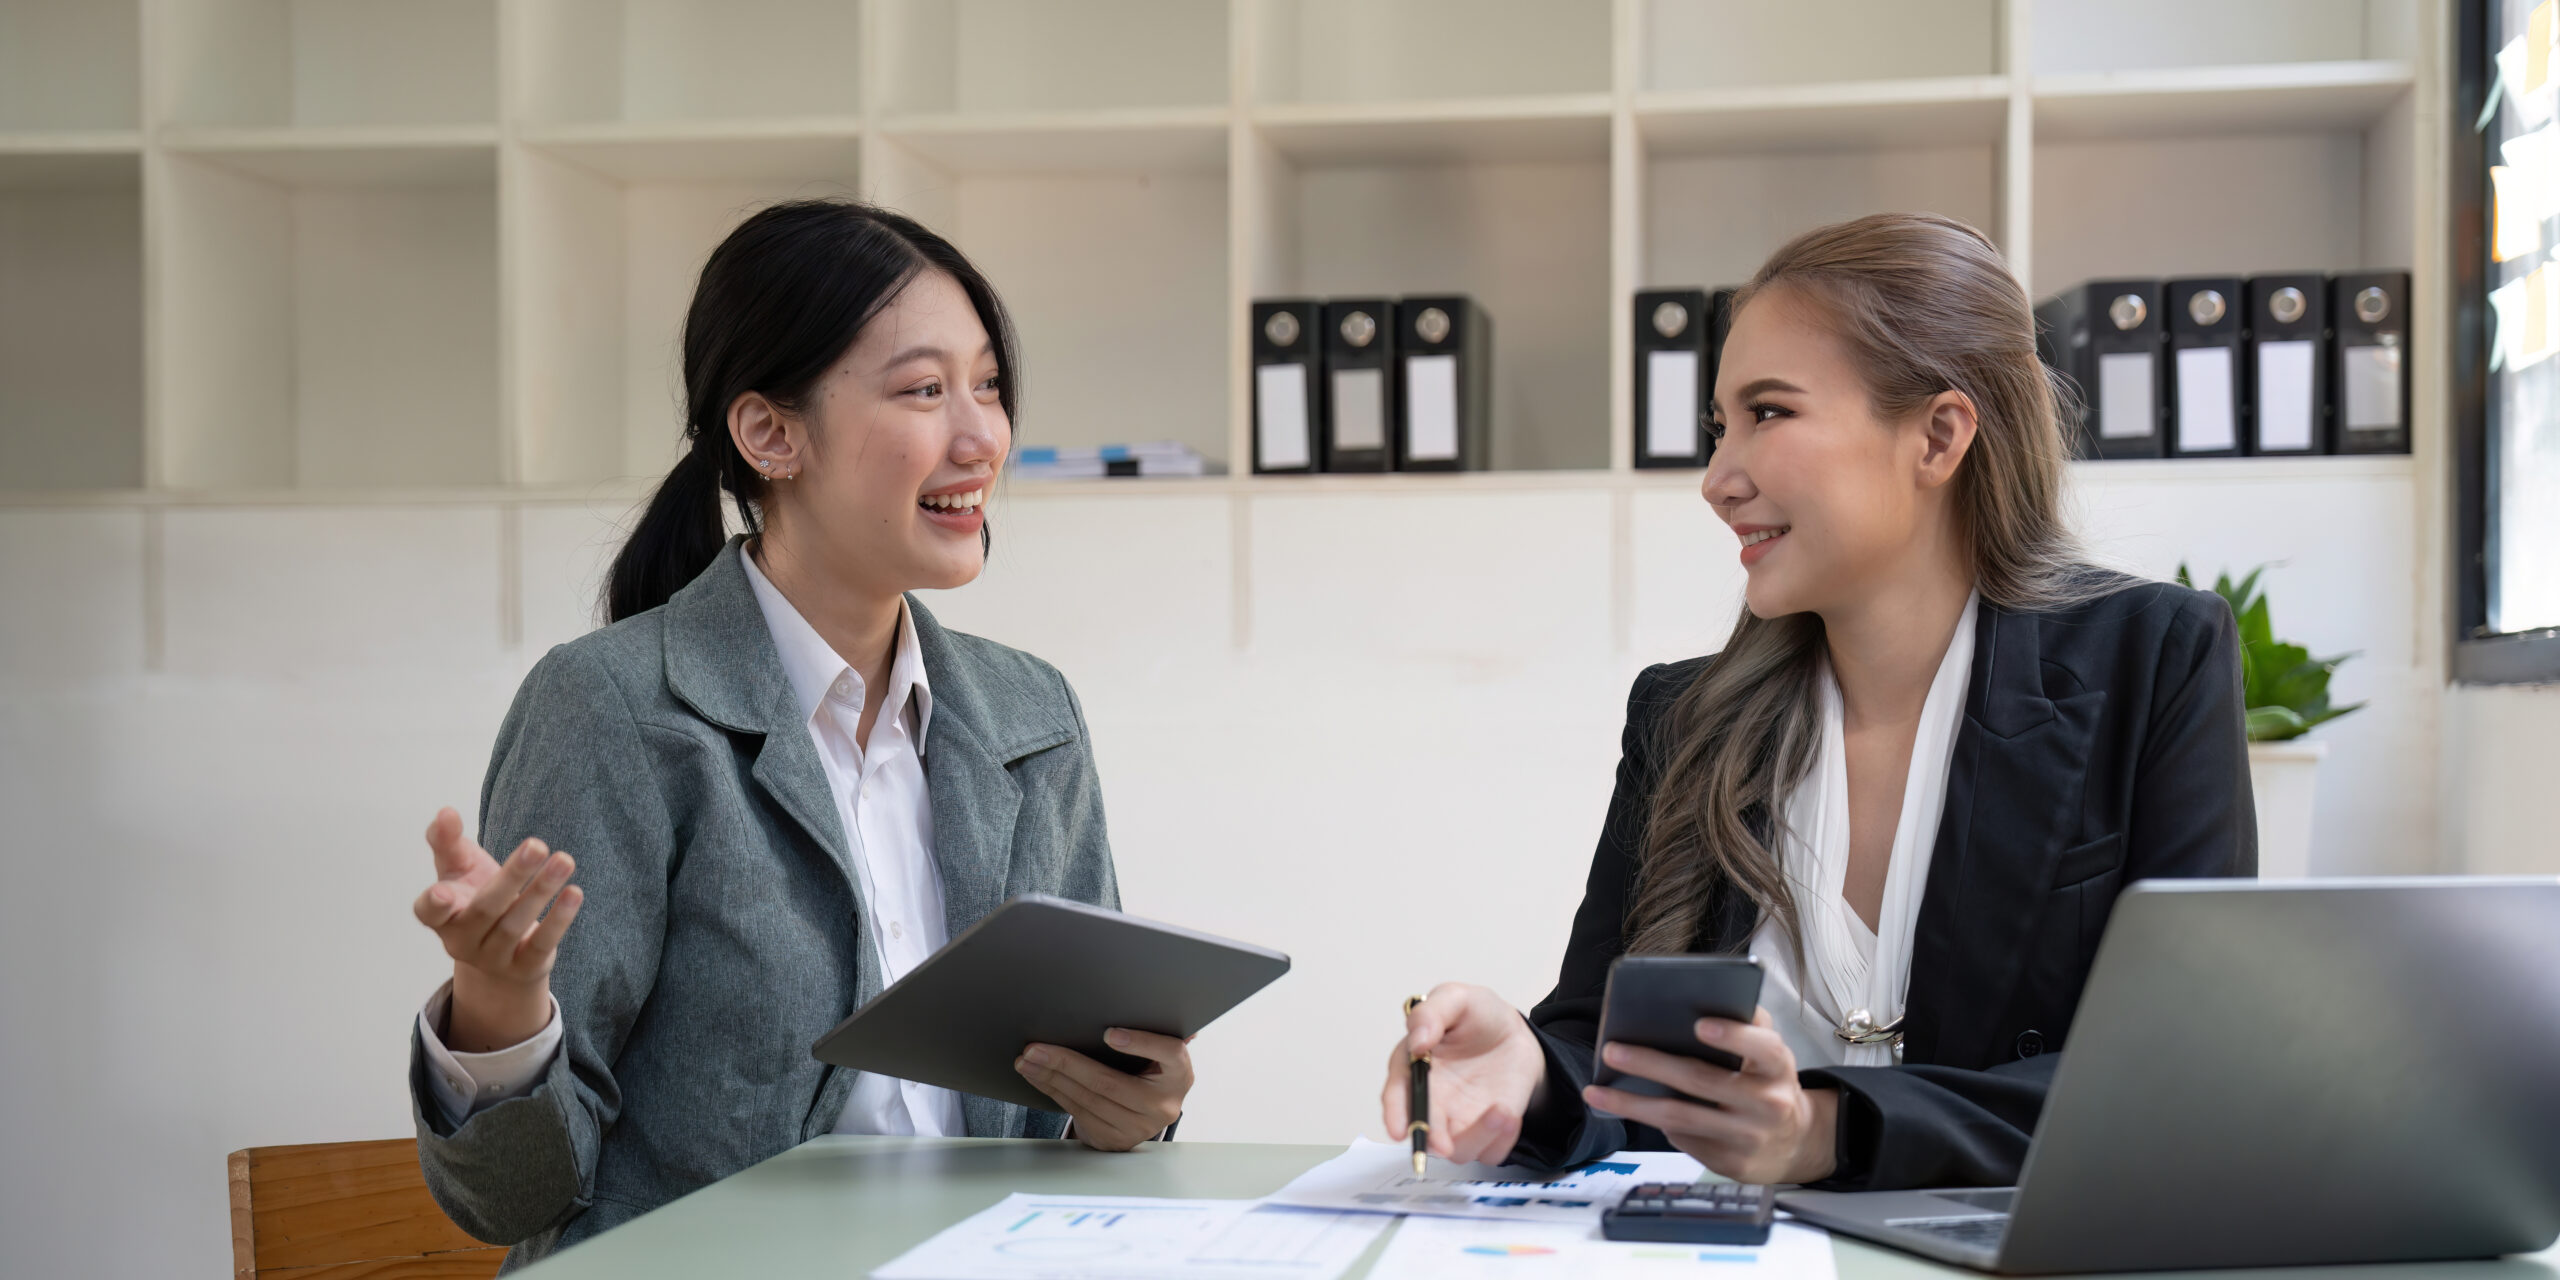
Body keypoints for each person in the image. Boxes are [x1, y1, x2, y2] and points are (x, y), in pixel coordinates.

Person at [1381, 213, 2254, 1191]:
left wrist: (1826, 1129)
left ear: (1937, 434)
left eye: (1767, 412)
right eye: (1720, 425)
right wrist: (1529, 1071)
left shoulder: (2153, 658)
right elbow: (1605, 1043)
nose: (1717, 480)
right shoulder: (1681, 716)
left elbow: (2178, 1077)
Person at [404, 200, 1190, 1267]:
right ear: (770, 433)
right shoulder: (616, 710)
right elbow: (518, 1198)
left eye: (988, 384)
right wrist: (497, 1007)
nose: (981, 436)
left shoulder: (1028, 716)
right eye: (924, 389)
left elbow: (1076, 1120)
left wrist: (1130, 1107)